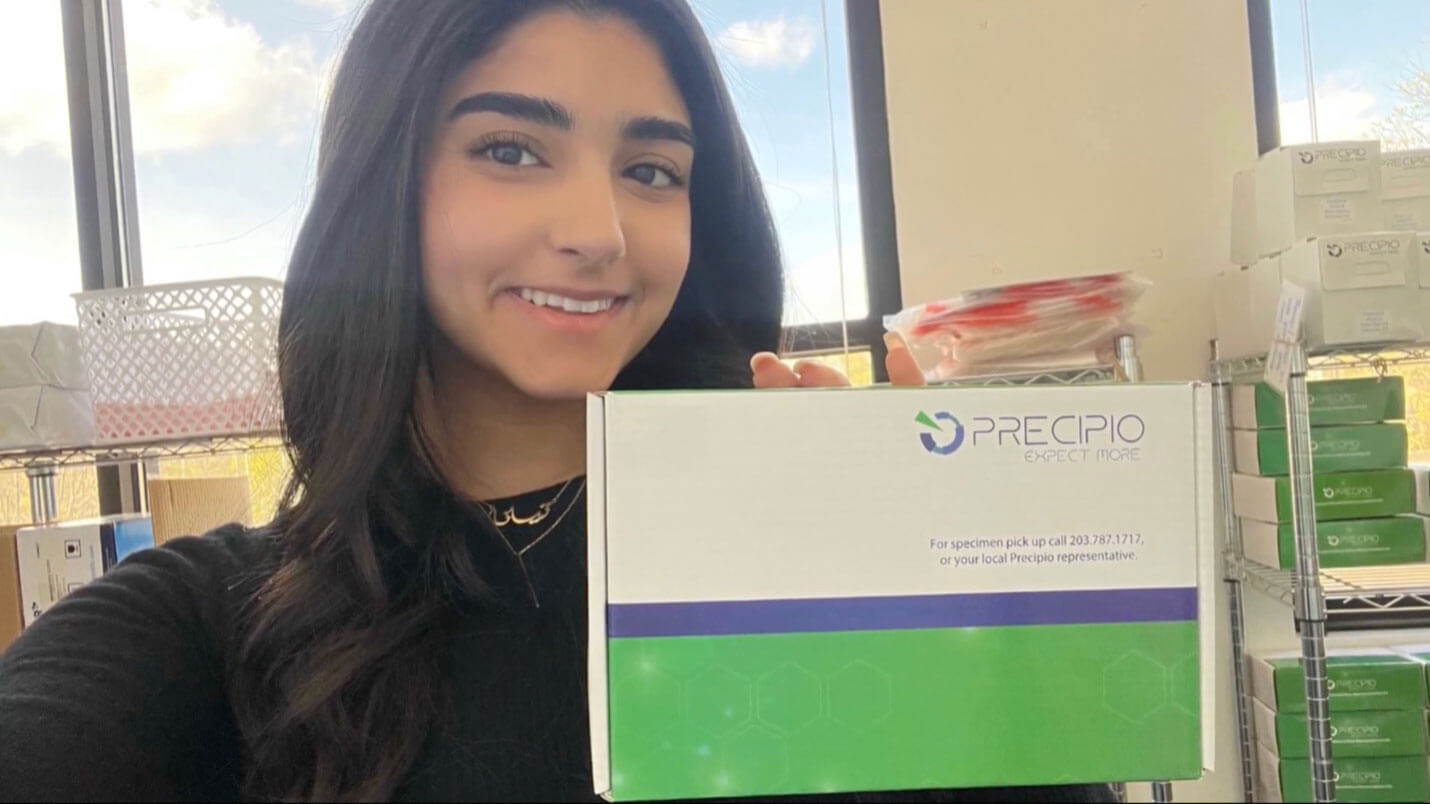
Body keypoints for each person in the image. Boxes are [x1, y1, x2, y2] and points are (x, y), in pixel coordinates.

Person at [0, 2, 1114, 802]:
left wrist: (945, 581)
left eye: (651, 171)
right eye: (509, 149)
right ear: (385, 185)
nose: (599, 232)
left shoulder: (791, 561)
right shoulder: (206, 622)